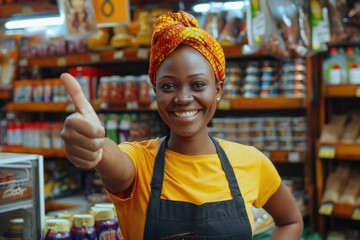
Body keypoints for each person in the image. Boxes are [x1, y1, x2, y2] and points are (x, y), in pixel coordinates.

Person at [60, 10, 304, 239]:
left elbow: (291, 221)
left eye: (198, 84)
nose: (183, 98)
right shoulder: (140, 161)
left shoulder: (251, 162)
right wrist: (97, 145)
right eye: (168, 86)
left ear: (218, 90)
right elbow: (114, 163)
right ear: (155, 91)